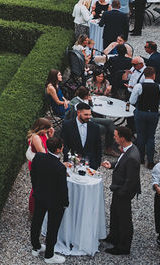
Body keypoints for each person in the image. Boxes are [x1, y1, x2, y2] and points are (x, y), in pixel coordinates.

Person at [30, 135, 69, 264]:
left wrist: (36, 189)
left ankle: (35, 246)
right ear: (59, 149)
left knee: (36, 221)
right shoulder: (60, 168)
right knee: (53, 228)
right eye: (62, 147)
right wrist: (65, 203)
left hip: (40, 196)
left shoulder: (38, 157)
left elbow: (33, 175)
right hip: (54, 202)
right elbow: (63, 189)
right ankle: (49, 255)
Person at [103, 126, 141, 255]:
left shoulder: (132, 156)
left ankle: (124, 246)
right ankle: (114, 237)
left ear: (122, 138)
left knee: (124, 219)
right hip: (118, 189)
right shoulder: (128, 149)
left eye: (115, 136)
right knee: (115, 214)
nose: (114, 137)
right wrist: (112, 165)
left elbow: (131, 180)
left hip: (123, 192)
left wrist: (122, 192)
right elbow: (121, 162)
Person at [131, 66, 160, 166]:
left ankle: (141, 158)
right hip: (153, 113)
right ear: (154, 76)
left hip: (141, 112)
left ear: (144, 75)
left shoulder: (139, 86)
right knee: (151, 137)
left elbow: (132, 101)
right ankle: (150, 161)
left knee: (141, 135)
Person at [61, 102, 103, 169]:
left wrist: (97, 163)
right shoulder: (67, 125)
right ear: (78, 113)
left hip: (90, 164)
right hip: (72, 163)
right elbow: (64, 144)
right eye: (86, 115)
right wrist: (70, 158)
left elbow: (98, 146)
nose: (89, 117)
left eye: (90, 115)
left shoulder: (95, 127)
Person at [27, 118, 53, 212]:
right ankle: (33, 210)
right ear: (41, 128)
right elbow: (42, 153)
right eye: (47, 129)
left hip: (43, 162)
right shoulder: (36, 137)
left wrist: (50, 136)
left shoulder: (43, 134)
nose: (48, 131)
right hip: (38, 164)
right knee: (36, 187)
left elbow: (47, 146)